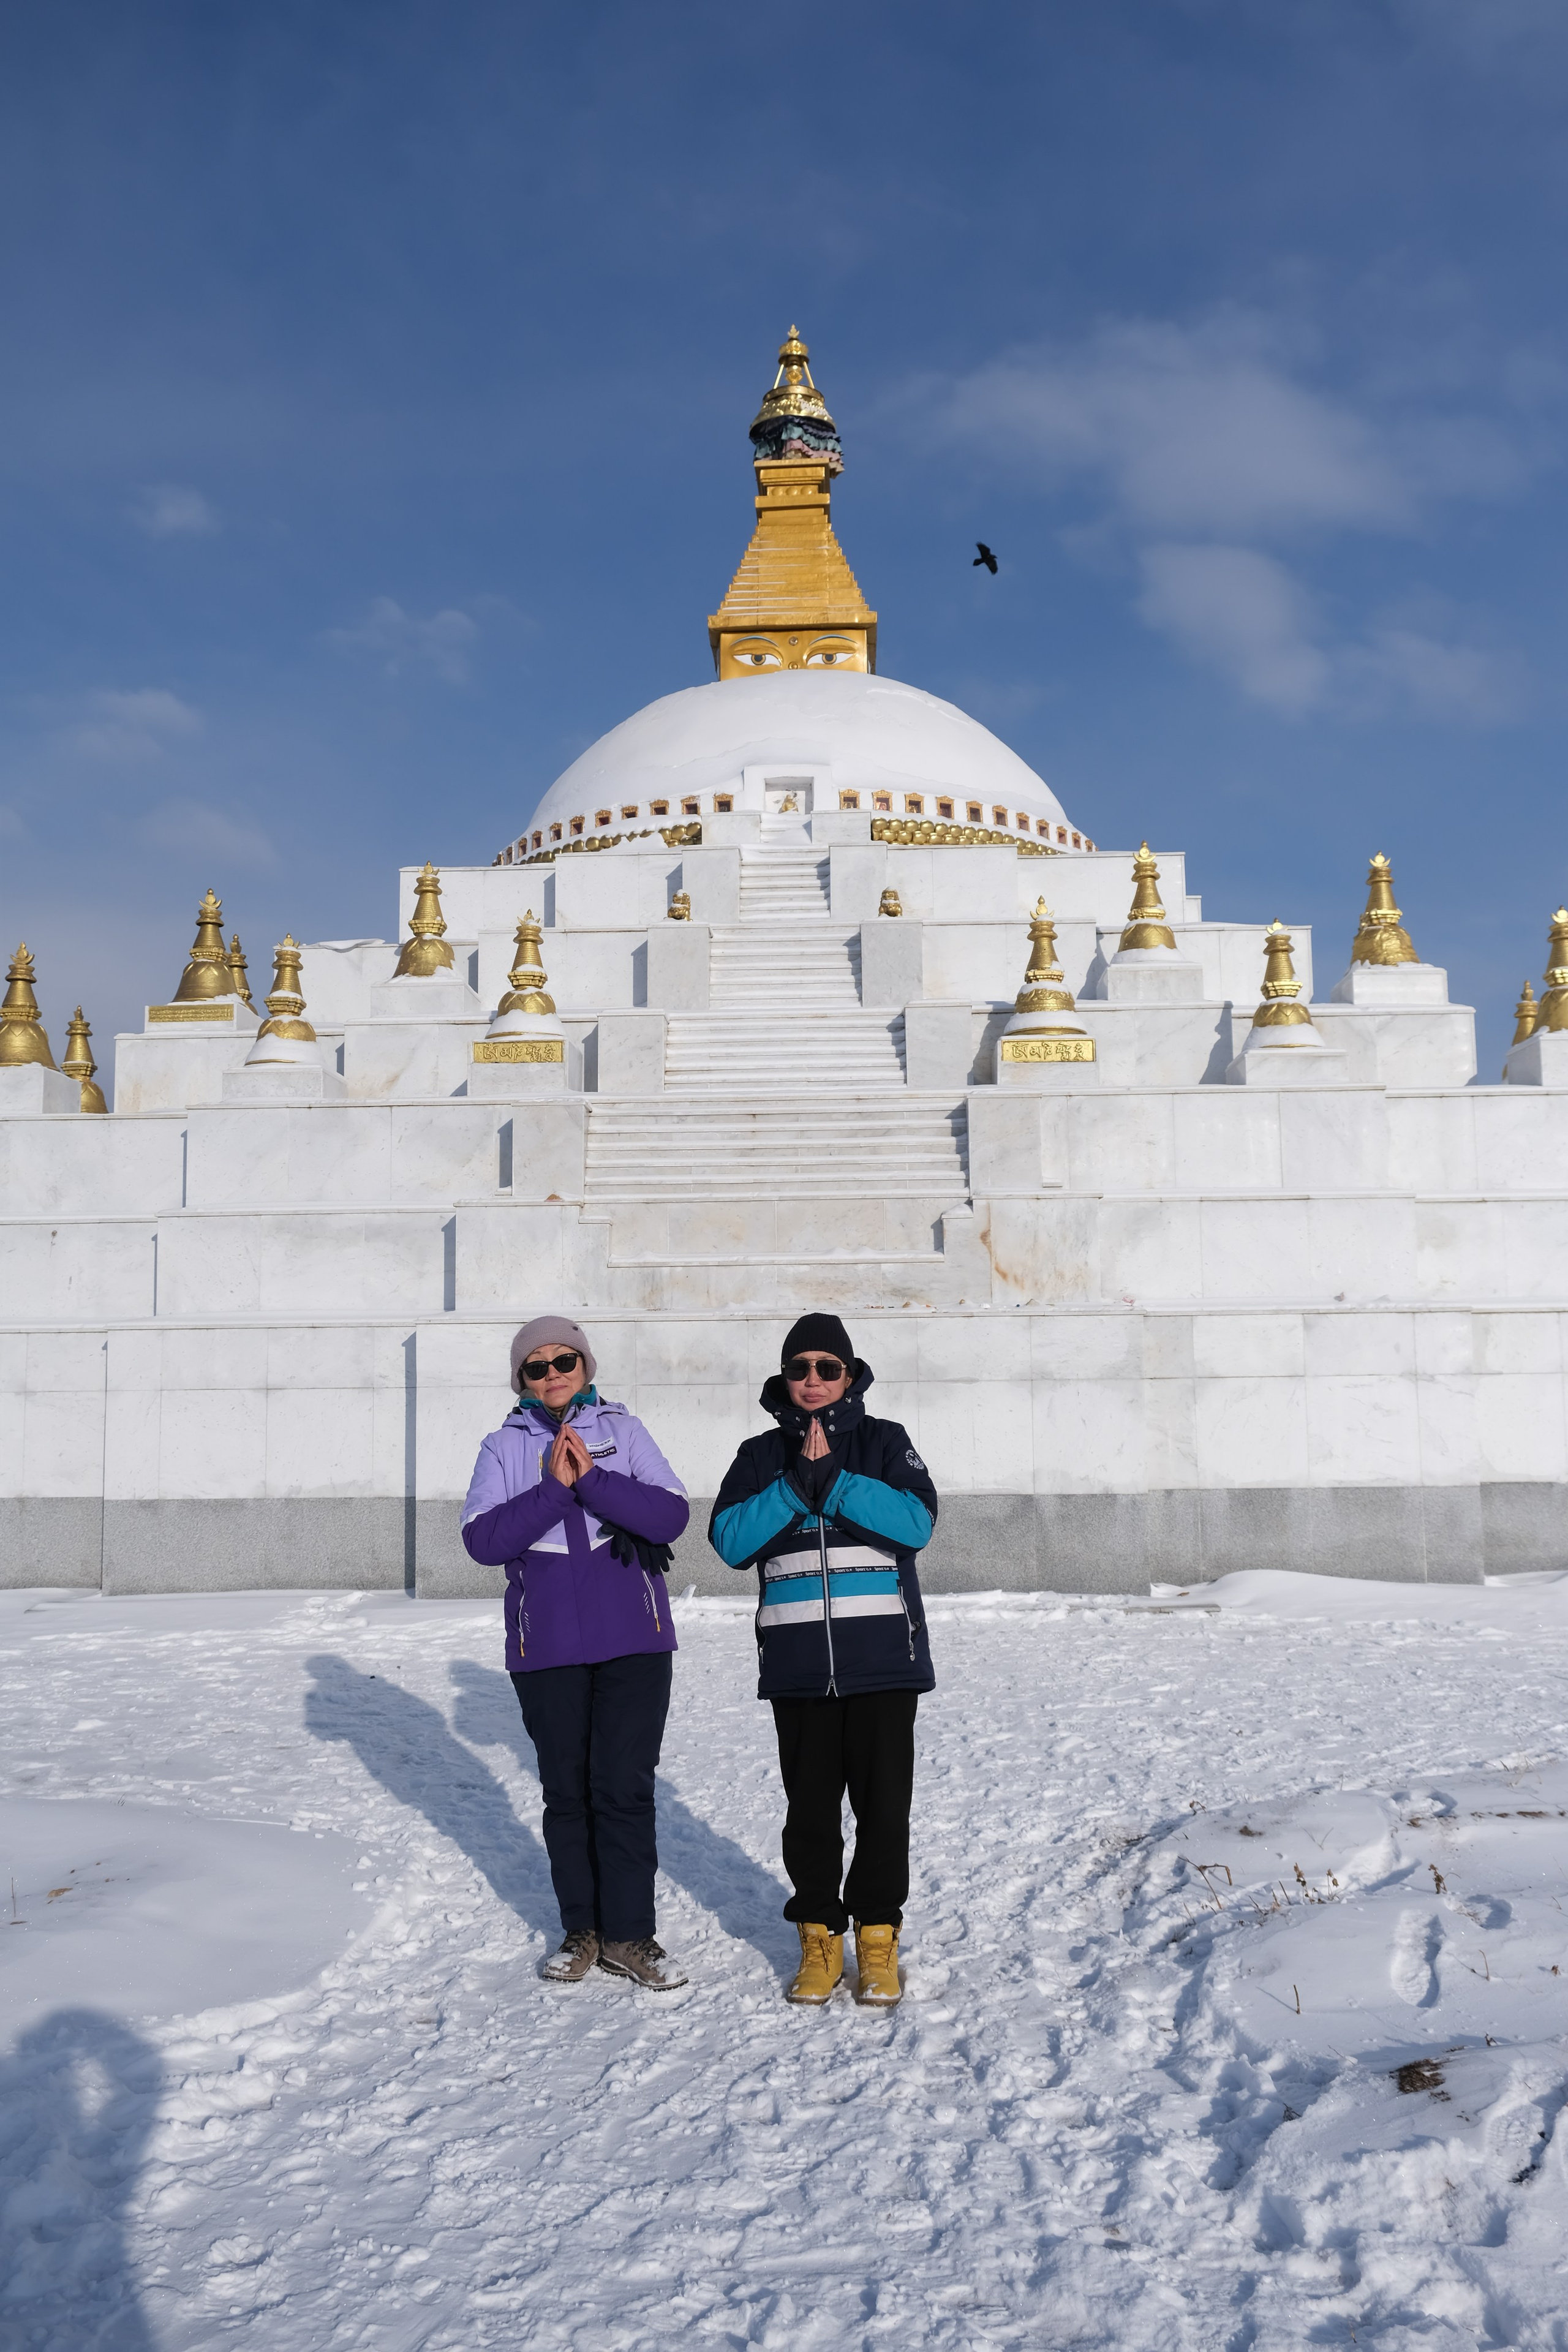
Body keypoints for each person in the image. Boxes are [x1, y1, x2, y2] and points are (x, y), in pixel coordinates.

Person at [709, 1313, 937, 2007]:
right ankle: (817, 1935)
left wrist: (833, 1480)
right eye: (799, 1369)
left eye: (826, 1368)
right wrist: (791, 1486)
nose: (811, 1381)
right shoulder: (757, 1455)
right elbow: (727, 1537)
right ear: (784, 1378)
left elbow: (915, 1525)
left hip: (881, 1664)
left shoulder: (884, 1442)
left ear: (849, 1373)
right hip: (799, 1666)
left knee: (881, 1811)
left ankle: (876, 1938)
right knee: (808, 1813)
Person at [462, 1315, 690, 1989]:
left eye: (565, 1359)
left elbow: (670, 1515)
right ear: (522, 1379)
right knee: (568, 1794)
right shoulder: (501, 1447)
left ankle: (629, 1935)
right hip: (547, 1647)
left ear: (586, 1365)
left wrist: (593, 1482)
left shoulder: (623, 1431)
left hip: (634, 1641)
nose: (553, 1371)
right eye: (537, 1365)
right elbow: (483, 1541)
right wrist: (553, 1490)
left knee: (623, 1788)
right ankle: (582, 1930)